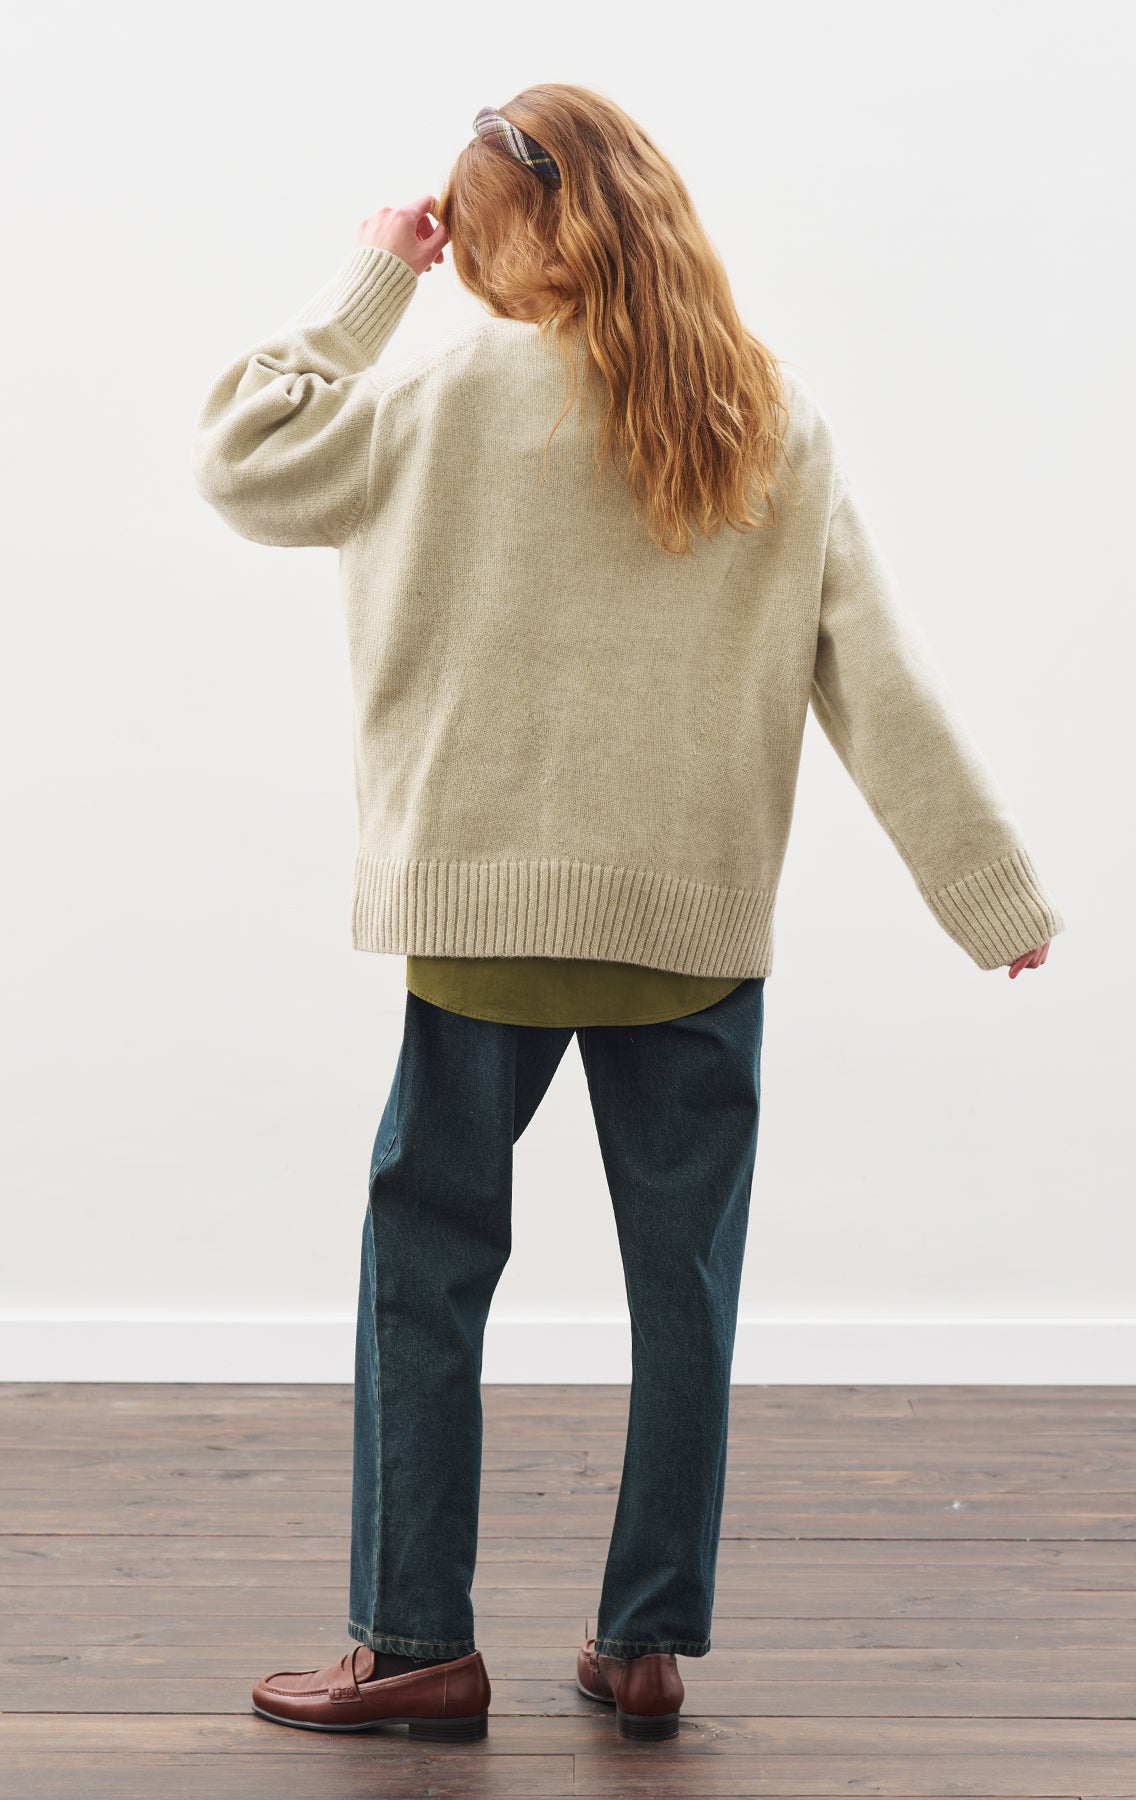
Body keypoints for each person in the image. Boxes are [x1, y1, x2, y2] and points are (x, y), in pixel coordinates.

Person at [190, 85, 1063, 1745]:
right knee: (686, 1288)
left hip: (484, 919)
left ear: (494, 240)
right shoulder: (761, 413)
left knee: (426, 1269)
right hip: (693, 932)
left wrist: (371, 278)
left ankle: (415, 1645)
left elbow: (241, 456)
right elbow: (875, 678)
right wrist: (989, 895)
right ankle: (647, 1642)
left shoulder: (431, 396)